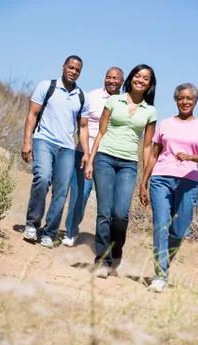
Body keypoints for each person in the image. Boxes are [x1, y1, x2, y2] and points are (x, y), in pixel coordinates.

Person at [139, 83, 198, 292]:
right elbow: (153, 154)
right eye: (181, 98)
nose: (185, 102)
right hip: (161, 178)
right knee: (161, 225)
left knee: (179, 230)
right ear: (176, 100)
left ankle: (164, 262)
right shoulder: (164, 124)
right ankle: (160, 274)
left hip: (188, 182)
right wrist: (144, 182)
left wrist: (190, 156)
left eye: (189, 98)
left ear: (196, 101)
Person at [86, 64, 157, 278]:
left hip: (128, 164)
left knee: (120, 215)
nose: (141, 80)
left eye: (146, 78)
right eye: (138, 76)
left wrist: (145, 180)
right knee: (104, 212)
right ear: (131, 78)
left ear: (149, 84)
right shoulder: (113, 100)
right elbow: (101, 132)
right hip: (105, 159)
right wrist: (90, 160)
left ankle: (116, 251)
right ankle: (102, 260)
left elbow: (146, 146)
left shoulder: (150, 111)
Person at [21, 55, 89, 249]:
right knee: (42, 178)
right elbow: (32, 114)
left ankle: (49, 232)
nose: (73, 71)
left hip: (67, 148)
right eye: (71, 67)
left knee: (61, 191)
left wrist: (86, 152)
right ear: (64, 66)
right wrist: (27, 142)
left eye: (77, 69)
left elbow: (83, 127)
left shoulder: (80, 96)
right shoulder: (47, 86)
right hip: (44, 140)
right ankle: (32, 224)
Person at [62, 67, 124, 247]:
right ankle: (71, 231)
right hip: (86, 152)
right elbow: (83, 125)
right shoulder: (92, 96)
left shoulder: (126, 101)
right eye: (108, 77)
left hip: (111, 155)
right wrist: (86, 152)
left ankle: (105, 240)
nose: (111, 81)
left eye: (115, 78)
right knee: (80, 193)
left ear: (122, 81)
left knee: (109, 202)